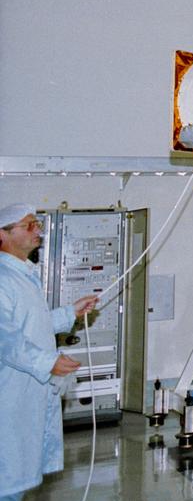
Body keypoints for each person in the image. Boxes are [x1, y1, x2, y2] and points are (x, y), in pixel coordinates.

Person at [0, 204, 98, 500]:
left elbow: (31, 324)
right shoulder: (3, 279)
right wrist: (48, 362)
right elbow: (5, 339)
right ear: (3, 235)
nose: (37, 230)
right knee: (8, 475)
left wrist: (69, 313)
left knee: (16, 473)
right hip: (11, 393)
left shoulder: (22, 275)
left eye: (37, 224)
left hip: (26, 392)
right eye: (28, 225)